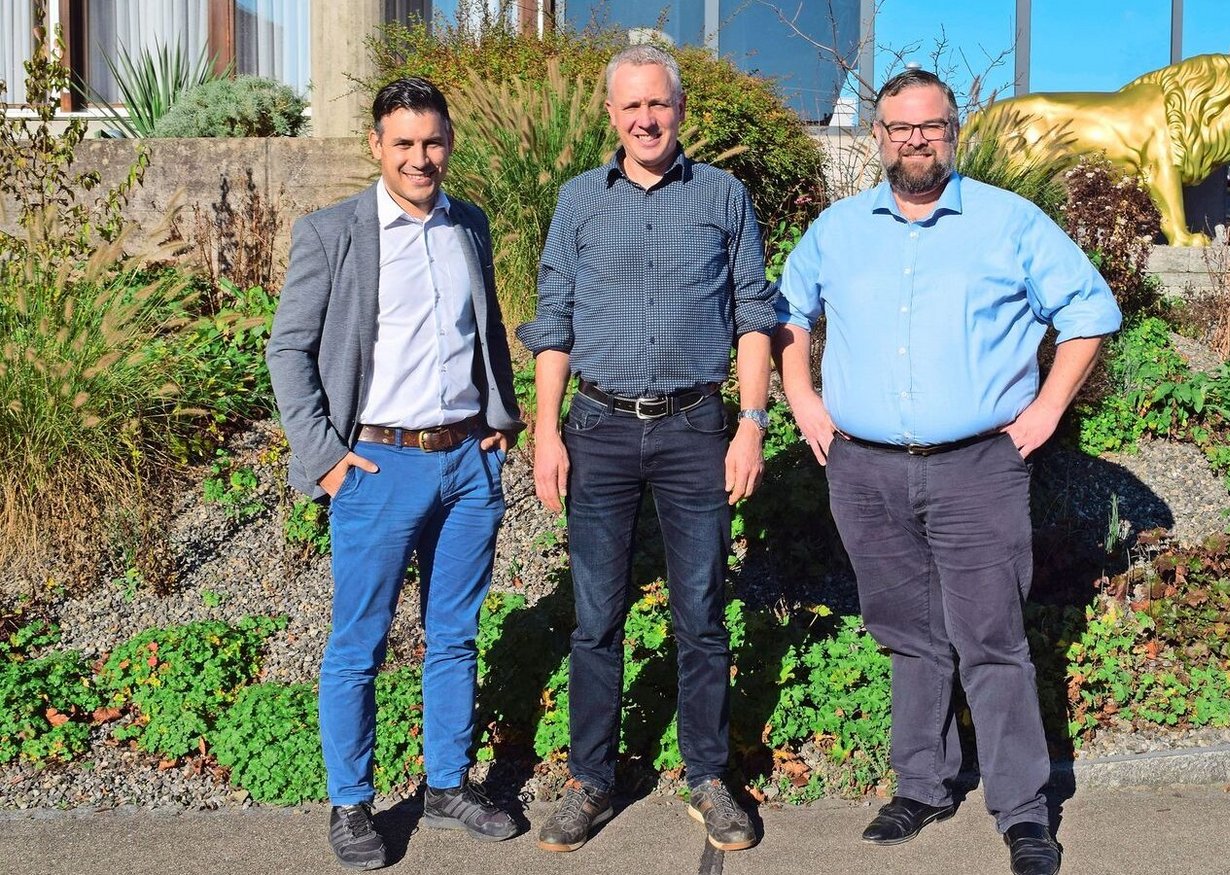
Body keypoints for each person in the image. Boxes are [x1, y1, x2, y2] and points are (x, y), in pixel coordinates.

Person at [773, 69, 1122, 875]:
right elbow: (786, 311)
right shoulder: (838, 230)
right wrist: (803, 398)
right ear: (879, 137)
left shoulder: (1009, 223)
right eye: (897, 128)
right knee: (908, 636)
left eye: (928, 126)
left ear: (952, 132)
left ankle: (1023, 812)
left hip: (977, 470)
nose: (913, 140)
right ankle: (922, 783)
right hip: (863, 470)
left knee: (992, 640)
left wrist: (1046, 412)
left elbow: (1090, 311)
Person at [516, 44, 775, 854]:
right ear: (610, 114)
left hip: (697, 428)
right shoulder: (577, 202)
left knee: (700, 614)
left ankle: (707, 774)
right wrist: (545, 431)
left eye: (657, 104)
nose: (645, 119)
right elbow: (552, 321)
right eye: (630, 107)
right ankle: (592, 777)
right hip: (596, 430)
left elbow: (754, 317)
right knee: (596, 617)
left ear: (679, 109)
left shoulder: (725, 197)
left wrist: (753, 423)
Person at [267, 77, 525, 870]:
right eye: (404, 143)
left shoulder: (468, 225)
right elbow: (288, 351)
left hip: (465, 464)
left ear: (449, 143)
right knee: (359, 644)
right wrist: (325, 458)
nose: (421, 157)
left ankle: (446, 785)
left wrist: (500, 421)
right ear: (377, 146)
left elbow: (486, 334)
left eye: (433, 141)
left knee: (455, 635)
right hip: (377, 465)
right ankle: (351, 804)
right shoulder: (332, 232)